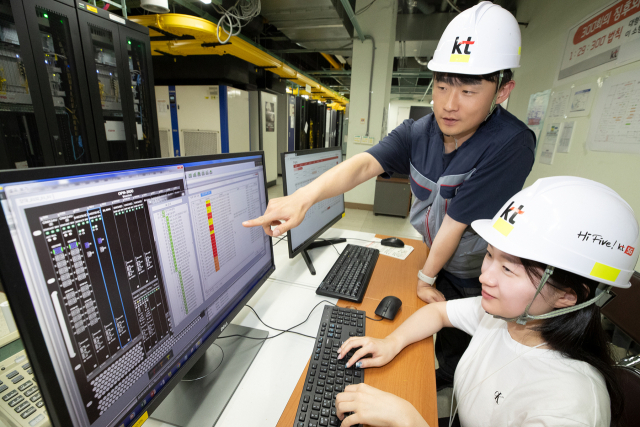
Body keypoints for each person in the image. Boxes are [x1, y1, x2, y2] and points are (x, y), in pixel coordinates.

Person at [244, 1, 534, 389]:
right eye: (443, 85)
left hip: (474, 272)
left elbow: (456, 220)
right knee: (431, 334)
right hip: (435, 257)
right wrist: (305, 196)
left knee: (463, 354)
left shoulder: (511, 144)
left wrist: (425, 276)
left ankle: (447, 386)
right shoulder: (419, 130)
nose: (449, 103)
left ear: (503, 91)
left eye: (467, 90)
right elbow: (364, 164)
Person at [332, 176, 638, 427]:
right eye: (489, 256)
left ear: (568, 295)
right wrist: (391, 343)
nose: (485, 277)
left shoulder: (569, 405)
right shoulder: (506, 315)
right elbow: (438, 312)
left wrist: (410, 421)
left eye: (507, 269)